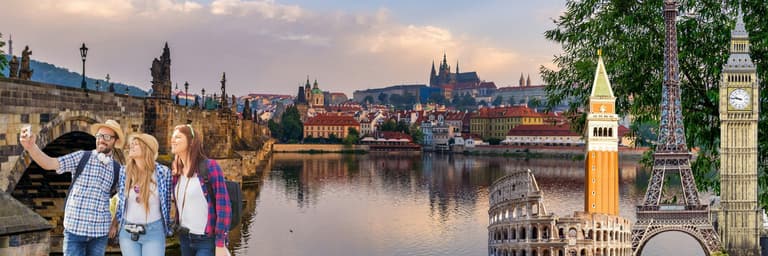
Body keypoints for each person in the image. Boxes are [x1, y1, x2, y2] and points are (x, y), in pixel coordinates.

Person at [19, 120, 125, 256]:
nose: (102, 140)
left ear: (115, 141)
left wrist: (115, 223)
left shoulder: (117, 169)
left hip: (100, 233)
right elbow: (50, 163)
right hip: (74, 230)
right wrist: (31, 147)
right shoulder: (82, 157)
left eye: (107, 137)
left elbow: (124, 198)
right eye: (99, 136)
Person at [171, 124, 231, 256]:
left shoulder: (210, 167)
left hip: (205, 240)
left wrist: (220, 243)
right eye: (173, 136)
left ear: (192, 141)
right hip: (185, 238)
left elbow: (224, 206)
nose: (172, 140)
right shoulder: (176, 172)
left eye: (178, 137)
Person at [109, 133, 172, 255]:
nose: (131, 146)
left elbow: (167, 203)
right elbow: (122, 202)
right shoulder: (124, 171)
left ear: (147, 148)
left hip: (154, 231)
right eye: (131, 144)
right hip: (127, 232)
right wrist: (114, 223)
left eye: (136, 144)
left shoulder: (163, 172)